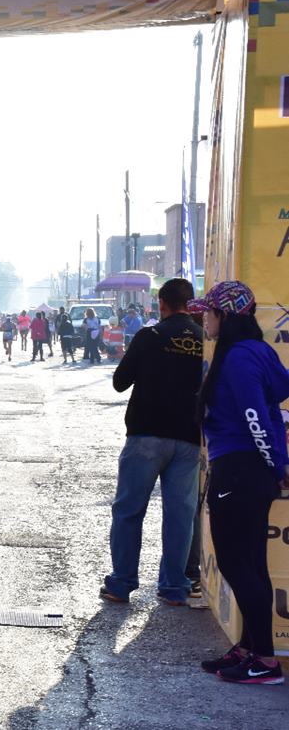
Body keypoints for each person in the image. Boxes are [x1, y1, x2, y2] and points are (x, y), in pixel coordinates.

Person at [191, 281, 288, 685]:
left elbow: (255, 418)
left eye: (209, 313)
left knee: (236, 562)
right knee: (249, 564)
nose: (204, 320)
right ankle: (251, 649)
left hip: (241, 470)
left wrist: (274, 462)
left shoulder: (238, 359)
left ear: (225, 316)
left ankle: (264, 659)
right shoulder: (256, 352)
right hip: (248, 470)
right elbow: (279, 390)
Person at [101, 278, 203, 609]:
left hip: (146, 434)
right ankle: (175, 587)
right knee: (180, 516)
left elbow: (119, 382)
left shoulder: (151, 335)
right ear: (191, 303)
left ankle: (121, 583)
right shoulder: (206, 339)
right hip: (188, 438)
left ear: (161, 304)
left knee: (129, 511)